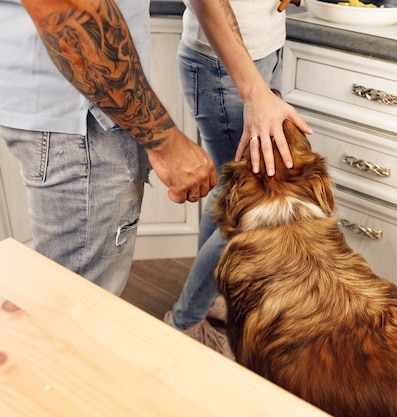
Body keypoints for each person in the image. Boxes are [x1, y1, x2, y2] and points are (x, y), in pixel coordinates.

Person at [0, 0, 308, 299]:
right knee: (77, 304)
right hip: (82, 115)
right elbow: (69, 6)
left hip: (94, 105)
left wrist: (254, 90)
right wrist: (165, 144)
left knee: (87, 297)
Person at [163, 0, 310, 356]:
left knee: (232, 196)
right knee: (249, 211)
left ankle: (207, 297)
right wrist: (255, 91)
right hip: (225, 65)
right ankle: (184, 322)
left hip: (263, 50)